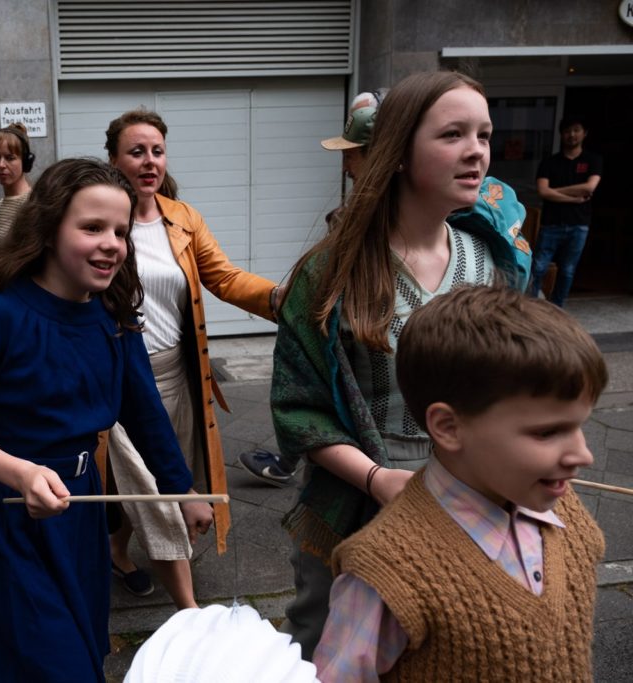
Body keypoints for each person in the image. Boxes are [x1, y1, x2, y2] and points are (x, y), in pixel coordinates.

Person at [270, 70, 533, 659]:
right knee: (333, 647)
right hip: (360, 491)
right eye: (453, 134)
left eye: (484, 135)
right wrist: (377, 479)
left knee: (450, 648)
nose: (477, 151)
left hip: (475, 490)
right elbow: (297, 409)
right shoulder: (329, 273)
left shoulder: (494, 263)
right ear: (398, 152)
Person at [0, 158, 214, 682]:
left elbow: (144, 412)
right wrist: (21, 473)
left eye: (121, 231)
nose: (112, 244)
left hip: (80, 513)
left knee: (83, 650)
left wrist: (182, 489)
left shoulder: (114, 315)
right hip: (9, 517)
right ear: (50, 227)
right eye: (92, 227)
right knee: (50, 667)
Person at [314, 284, 607, 680]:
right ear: (449, 427)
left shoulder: (563, 508)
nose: (583, 456)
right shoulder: (388, 572)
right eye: (547, 432)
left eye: (579, 426)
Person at [103, 108, 279, 607]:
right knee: (144, 486)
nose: (149, 161)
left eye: (157, 151)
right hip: (118, 377)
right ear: (114, 159)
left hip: (175, 376)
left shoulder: (182, 219)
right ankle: (187, 607)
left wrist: (280, 298)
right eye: (137, 151)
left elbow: (224, 277)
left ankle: (118, 551)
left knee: (159, 477)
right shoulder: (102, 218)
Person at [239, 89, 385, 488]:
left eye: (352, 153)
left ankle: (288, 463)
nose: (345, 164)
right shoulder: (349, 220)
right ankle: (290, 460)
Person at [528, 115, 603, 307]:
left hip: (579, 224)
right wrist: (573, 198)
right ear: (561, 134)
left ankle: (557, 308)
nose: (572, 135)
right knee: (538, 267)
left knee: (567, 270)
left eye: (576, 130)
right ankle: (531, 307)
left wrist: (555, 191)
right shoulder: (550, 162)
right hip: (551, 223)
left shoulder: (592, 160)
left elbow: (589, 187)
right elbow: (543, 191)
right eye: (568, 131)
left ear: (584, 133)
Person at [0, 122, 34, 247]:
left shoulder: (32, 204)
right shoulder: (3, 203)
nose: (1, 165)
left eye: (10, 158)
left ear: (25, 162)